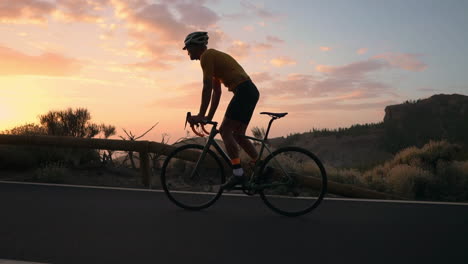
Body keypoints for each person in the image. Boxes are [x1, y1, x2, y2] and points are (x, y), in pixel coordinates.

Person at [183, 31, 259, 190]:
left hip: (244, 91)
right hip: (249, 91)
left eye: (188, 48)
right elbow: (216, 92)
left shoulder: (206, 56)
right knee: (238, 135)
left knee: (225, 131)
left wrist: (201, 115)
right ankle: (261, 167)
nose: (187, 52)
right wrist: (208, 117)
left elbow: (207, 88)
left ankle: (238, 174)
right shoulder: (212, 58)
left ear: (196, 46)